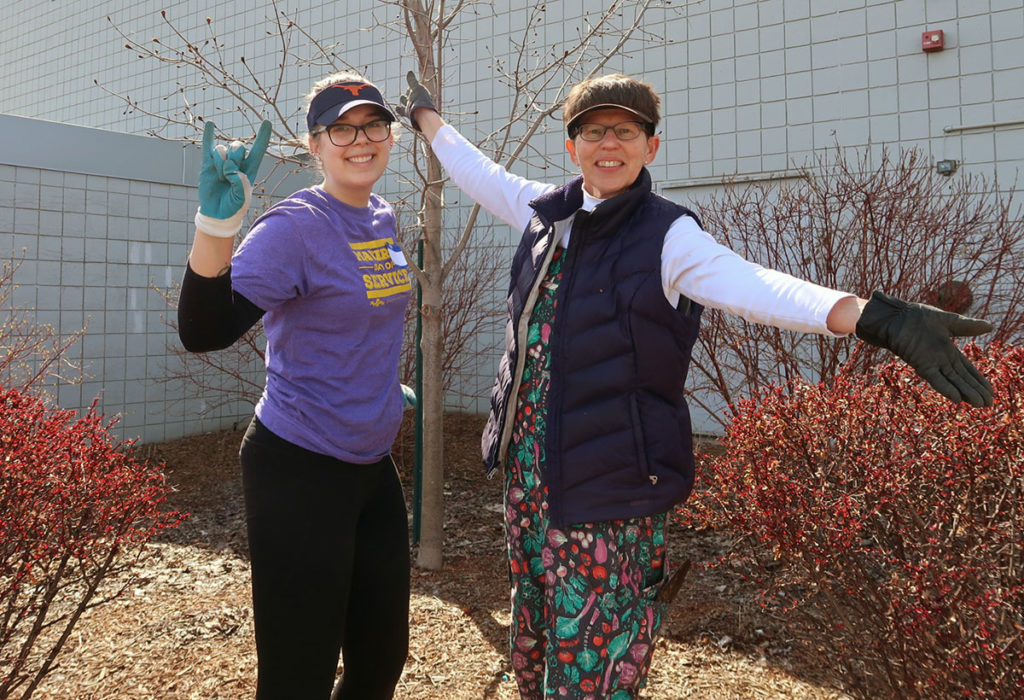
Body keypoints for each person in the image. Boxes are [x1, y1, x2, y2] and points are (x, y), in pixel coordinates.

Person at [397, 72, 994, 699]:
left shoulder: (668, 236)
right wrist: (427, 119)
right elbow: (475, 168)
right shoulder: (547, 214)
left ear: (651, 146)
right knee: (536, 632)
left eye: (626, 131)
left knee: (594, 659)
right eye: (594, 130)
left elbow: (756, 287)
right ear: (572, 144)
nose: (610, 143)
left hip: (612, 488)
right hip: (532, 479)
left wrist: (875, 317)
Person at [177, 71, 414, 700]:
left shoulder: (382, 218)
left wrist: (381, 388)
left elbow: (362, 322)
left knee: (381, 658)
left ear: (390, 136)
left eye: (373, 125)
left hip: (370, 464)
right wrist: (214, 228)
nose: (360, 139)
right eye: (342, 128)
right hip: (299, 466)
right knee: (298, 673)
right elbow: (205, 330)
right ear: (315, 144)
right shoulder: (296, 228)